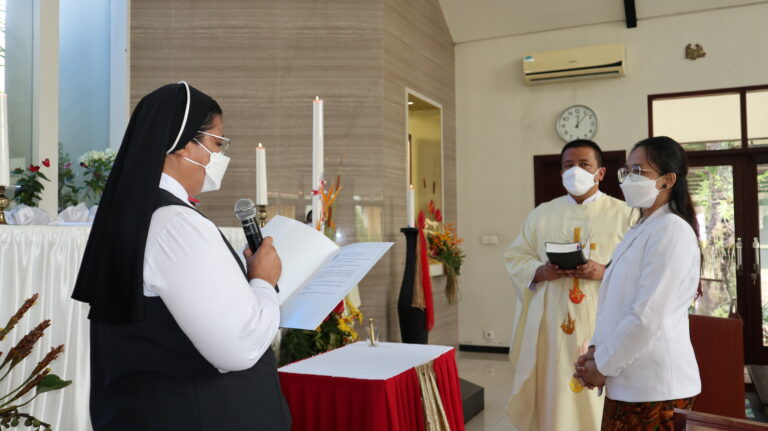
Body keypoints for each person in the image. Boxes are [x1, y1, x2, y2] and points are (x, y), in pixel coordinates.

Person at [72, 82, 291, 430]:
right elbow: (238, 348)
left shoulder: (139, 214)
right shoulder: (176, 225)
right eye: (217, 144)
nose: (218, 158)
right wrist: (263, 281)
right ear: (186, 142)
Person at [504, 140, 635, 431]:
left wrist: (605, 271)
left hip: (603, 320)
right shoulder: (542, 214)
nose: (575, 171)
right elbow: (515, 256)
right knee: (556, 392)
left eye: (584, 164)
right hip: (552, 326)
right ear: (561, 172)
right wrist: (540, 271)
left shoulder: (625, 214)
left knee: (598, 397)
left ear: (600, 172)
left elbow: (641, 268)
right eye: (568, 165)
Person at [574, 136, 701, 431]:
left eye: (637, 171)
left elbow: (647, 316)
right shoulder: (641, 228)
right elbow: (616, 303)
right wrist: (596, 352)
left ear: (667, 180)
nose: (629, 179)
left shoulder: (671, 230)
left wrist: (602, 365)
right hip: (629, 381)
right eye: (627, 171)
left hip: (656, 387)